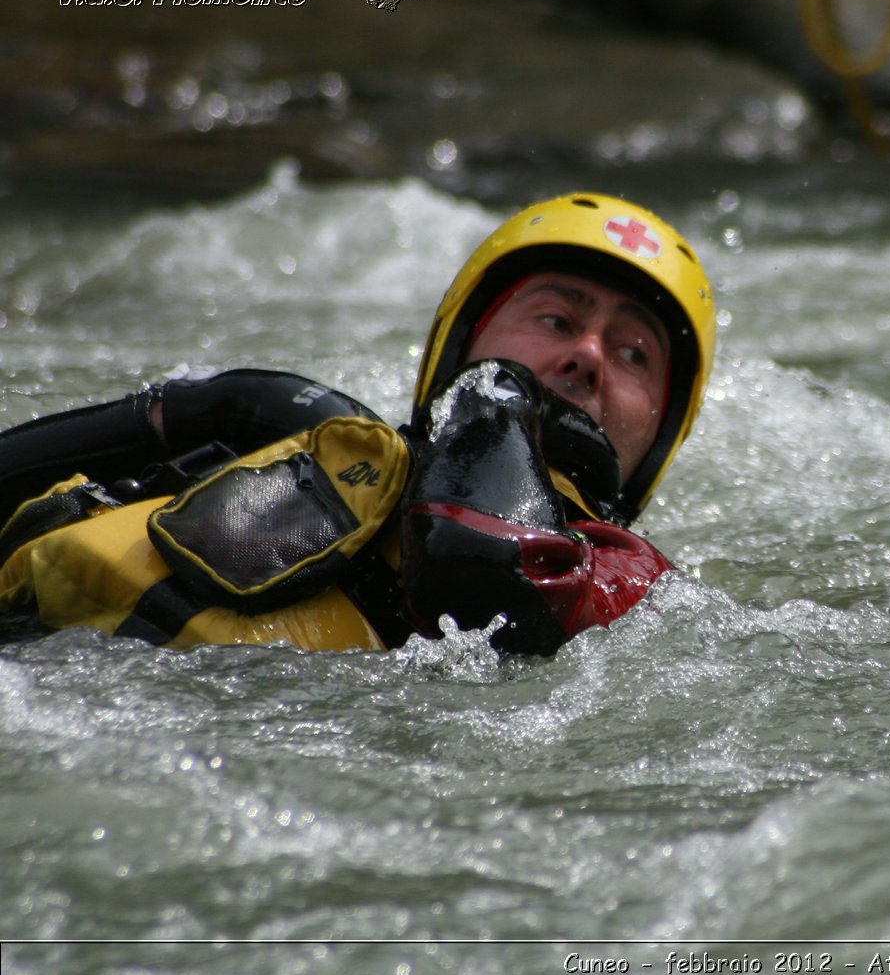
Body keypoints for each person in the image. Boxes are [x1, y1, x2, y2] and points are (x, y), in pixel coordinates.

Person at [0, 192, 715, 657]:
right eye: (556, 319)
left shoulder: (641, 592)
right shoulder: (304, 435)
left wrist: (492, 396)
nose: (588, 355)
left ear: (661, 434)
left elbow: (484, 579)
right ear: (458, 343)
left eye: (633, 353)